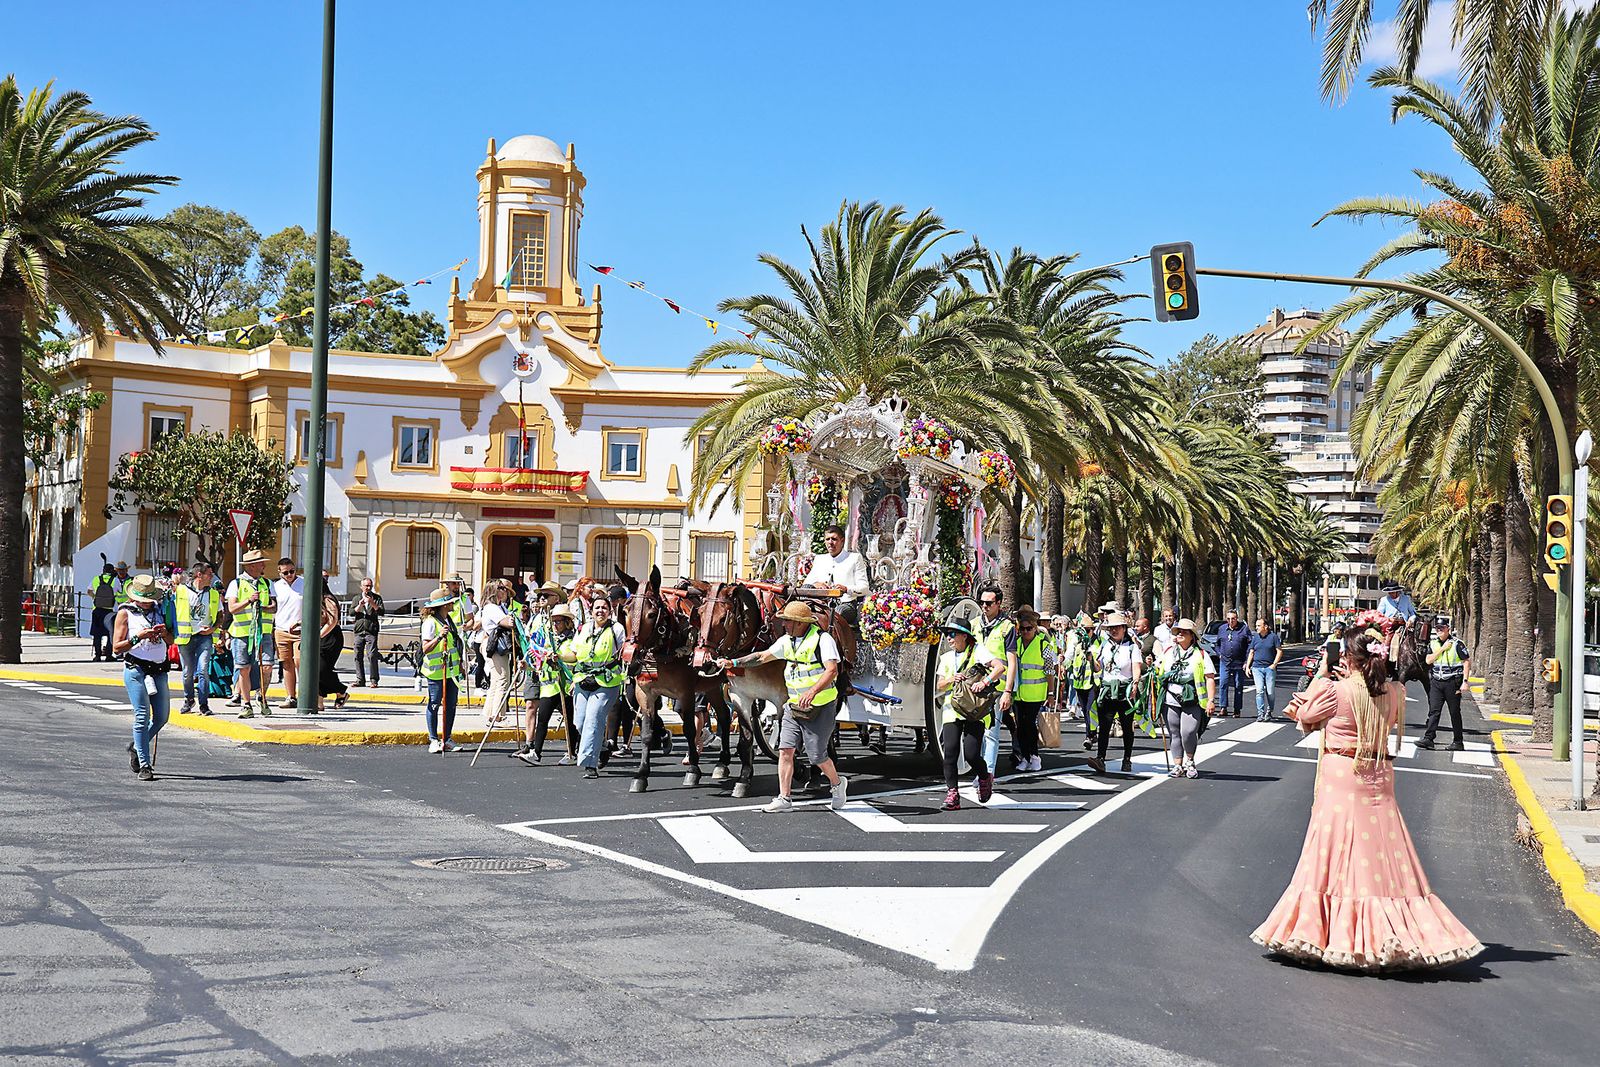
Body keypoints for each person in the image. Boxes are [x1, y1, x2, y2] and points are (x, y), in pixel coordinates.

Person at [1253, 625, 1484, 971]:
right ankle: (1399, 929)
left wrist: (1321, 675)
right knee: (1383, 853)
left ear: (1348, 657)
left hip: (1342, 772)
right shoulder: (1395, 692)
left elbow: (1303, 716)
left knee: (1332, 849)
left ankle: (1326, 932)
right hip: (1379, 773)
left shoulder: (1335, 691)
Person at [717, 600, 849, 813]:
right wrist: (733, 663)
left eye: (787, 621)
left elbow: (832, 670)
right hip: (794, 706)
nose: (783, 624)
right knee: (785, 751)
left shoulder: (823, 640)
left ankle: (837, 783)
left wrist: (812, 692)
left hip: (820, 706)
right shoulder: (787, 641)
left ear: (799, 623)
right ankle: (784, 798)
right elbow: (761, 657)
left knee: (817, 756)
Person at [933, 619, 999, 810]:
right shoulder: (946, 657)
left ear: (964, 636)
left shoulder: (978, 651)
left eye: (953, 634)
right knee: (950, 753)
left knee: (971, 754)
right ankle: (952, 794)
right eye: (947, 634)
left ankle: (985, 776)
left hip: (974, 710)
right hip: (952, 709)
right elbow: (939, 685)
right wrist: (952, 679)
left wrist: (985, 682)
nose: (949, 638)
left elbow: (999, 667)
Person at [113, 575, 171, 781]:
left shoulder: (160, 610)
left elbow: (172, 639)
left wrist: (164, 633)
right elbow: (116, 647)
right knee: (142, 715)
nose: (147, 602)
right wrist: (139, 637)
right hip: (136, 667)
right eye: (144, 598)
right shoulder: (125, 613)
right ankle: (145, 765)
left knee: (162, 717)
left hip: (159, 669)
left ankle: (137, 745)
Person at [565, 592, 626, 779]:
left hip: (607, 681)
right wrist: (557, 656)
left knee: (593, 719)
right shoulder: (583, 629)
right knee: (581, 723)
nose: (600, 611)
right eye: (597, 607)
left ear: (610, 611)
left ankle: (590, 765)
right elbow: (573, 654)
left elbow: (625, 653)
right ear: (591, 610)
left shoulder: (617, 629)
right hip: (583, 679)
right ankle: (604, 746)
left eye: (604, 608)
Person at [1155, 618, 1217, 779]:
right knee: (1174, 733)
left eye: (1184, 632)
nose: (1180, 634)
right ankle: (1178, 765)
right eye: (1178, 631)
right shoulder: (1168, 651)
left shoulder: (1201, 654)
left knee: (1188, 732)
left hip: (1192, 700)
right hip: (1170, 699)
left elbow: (1210, 677)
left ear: (1192, 636)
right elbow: (1158, 669)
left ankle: (1190, 761)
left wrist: (1210, 700)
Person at [517, 603, 576, 764]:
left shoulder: (573, 639)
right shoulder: (548, 641)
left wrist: (559, 657)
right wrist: (527, 666)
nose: (555, 625)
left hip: (565, 687)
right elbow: (540, 663)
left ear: (566, 622)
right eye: (553, 621)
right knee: (543, 719)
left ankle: (572, 752)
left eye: (558, 621)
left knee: (571, 721)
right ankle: (536, 753)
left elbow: (574, 657)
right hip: (549, 688)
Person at [971, 584, 1017, 774]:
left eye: (989, 603)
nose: (984, 606)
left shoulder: (1007, 626)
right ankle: (981, 770)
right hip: (974, 684)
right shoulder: (974, 623)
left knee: (991, 732)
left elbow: (1012, 661)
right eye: (982, 602)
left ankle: (987, 774)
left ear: (998, 603)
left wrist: (1008, 691)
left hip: (997, 686)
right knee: (976, 731)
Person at [1090, 612, 1142, 775]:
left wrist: (1135, 684)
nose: (1114, 630)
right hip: (1106, 689)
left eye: (1117, 627)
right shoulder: (1104, 645)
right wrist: (1091, 659)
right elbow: (1099, 668)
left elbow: (1136, 667)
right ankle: (1100, 758)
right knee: (1104, 726)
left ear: (1124, 629)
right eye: (1111, 628)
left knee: (1127, 727)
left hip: (1124, 690)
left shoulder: (1131, 647)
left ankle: (1127, 759)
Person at [226, 550, 275, 719]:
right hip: (242, 632)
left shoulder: (267, 583)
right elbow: (232, 608)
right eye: (261, 562)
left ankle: (261, 696)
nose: (264, 565)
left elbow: (274, 606)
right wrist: (249, 601)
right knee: (244, 669)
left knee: (267, 666)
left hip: (264, 632)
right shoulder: (237, 584)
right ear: (252, 565)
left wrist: (264, 606)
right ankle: (246, 704)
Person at [420, 585, 465, 753]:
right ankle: (433, 739)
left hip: (451, 672)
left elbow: (454, 645)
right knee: (434, 704)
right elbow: (425, 648)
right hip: (435, 672)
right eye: (450, 602)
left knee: (451, 705)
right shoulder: (430, 623)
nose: (453, 604)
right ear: (443, 605)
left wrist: (460, 665)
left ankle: (447, 738)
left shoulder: (449, 621)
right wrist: (439, 637)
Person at [1009, 607, 1054, 772]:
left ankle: (1034, 757)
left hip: (1036, 694)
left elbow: (1050, 671)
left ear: (1035, 628)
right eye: (1022, 628)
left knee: (1029, 726)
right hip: (1019, 694)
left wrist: (1051, 693)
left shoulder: (1044, 645)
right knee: (1020, 728)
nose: (1026, 631)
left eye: (1029, 628)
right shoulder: (1016, 644)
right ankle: (1026, 757)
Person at [173, 562, 219, 716]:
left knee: (203, 670)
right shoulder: (181, 590)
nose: (212, 577)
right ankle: (188, 699)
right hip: (185, 637)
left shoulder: (213, 593)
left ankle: (204, 704)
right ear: (200, 574)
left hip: (204, 637)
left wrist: (213, 629)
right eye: (209, 574)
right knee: (187, 673)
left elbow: (220, 615)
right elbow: (170, 611)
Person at [1419, 616, 1471, 751]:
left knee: (1454, 712)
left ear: (1448, 629)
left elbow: (1466, 661)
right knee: (1434, 711)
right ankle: (1429, 738)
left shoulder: (1457, 644)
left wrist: (1465, 682)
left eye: (1442, 628)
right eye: (1437, 628)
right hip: (1437, 681)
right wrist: (1442, 649)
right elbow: (1428, 661)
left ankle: (1458, 742)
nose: (1439, 630)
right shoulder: (1433, 644)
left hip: (1452, 682)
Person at [802, 524, 870, 623]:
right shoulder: (820, 559)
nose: (830, 542)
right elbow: (805, 585)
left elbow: (864, 588)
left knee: (836, 613)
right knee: (801, 605)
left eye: (834, 539)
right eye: (827, 539)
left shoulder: (854, 558)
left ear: (842, 541)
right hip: (820, 603)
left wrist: (846, 589)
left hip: (845, 604)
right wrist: (816, 584)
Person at [1060, 612, 1106, 746]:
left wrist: (1091, 656)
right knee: (1085, 709)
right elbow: (1069, 656)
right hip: (1079, 682)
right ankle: (1091, 734)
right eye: (1082, 631)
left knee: (1090, 709)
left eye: (1087, 630)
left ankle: (1090, 735)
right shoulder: (1076, 642)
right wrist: (1063, 663)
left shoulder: (1098, 642)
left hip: (1094, 682)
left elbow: (1099, 662)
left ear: (1092, 630)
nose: (1085, 633)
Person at [478, 580, 517, 731]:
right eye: (501, 588)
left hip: (491, 645)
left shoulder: (493, 607)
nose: (505, 591)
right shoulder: (493, 608)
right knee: (502, 680)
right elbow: (507, 622)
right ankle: (498, 716)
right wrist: (513, 618)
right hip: (496, 647)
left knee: (496, 681)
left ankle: (490, 714)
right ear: (494, 591)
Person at [271, 558, 305, 710]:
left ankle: (305, 694)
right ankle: (291, 696)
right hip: (281, 629)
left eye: (292, 571)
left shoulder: (304, 583)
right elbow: (273, 606)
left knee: (299, 661)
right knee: (286, 663)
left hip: (301, 630)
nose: (290, 575)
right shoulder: (275, 586)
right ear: (279, 572)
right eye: (285, 572)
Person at [315, 578, 348, 712]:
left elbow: (332, 621)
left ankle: (341, 690)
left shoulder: (328, 599)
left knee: (322, 669)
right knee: (318, 669)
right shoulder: (317, 599)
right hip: (322, 634)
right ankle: (319, 701)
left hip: (331, 637)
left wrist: (318, 637)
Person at [1245, 618, 1284, 722]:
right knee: (1259, 691)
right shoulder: (1255, 638)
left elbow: (1279, 651)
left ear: (1265, 627)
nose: (1256, 628)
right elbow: (1251, 652)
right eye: (1256, 625)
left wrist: (1274, 664)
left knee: (1270, 692)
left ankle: (1269, 711)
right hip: (1257, 668)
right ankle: (1260, 713)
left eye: (1259, 626)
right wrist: (1248, 666)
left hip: (1269, 668)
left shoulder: (1273, 637)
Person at [1214, 608, 1251, 718]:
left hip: (1239, 662)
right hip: (1225, 661)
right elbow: (1217, 644)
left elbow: (1250, 646)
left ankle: (1237, 709)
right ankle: (1223, 707)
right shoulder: (1222, 629)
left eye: (1233, 619)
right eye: (1229, 619)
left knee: (1238, 685)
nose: (1231, 621)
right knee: (1223, 683)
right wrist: (1219, 654)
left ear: (1237, 618)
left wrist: (1246, 661)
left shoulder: (1244, 629)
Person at [350, 577, 384, 687]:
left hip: (371, 631)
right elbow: (351, 612)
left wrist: (372, 603)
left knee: (372, 655)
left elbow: (382, 612)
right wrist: (359, 606)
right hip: (359, 631)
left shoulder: (377, 598)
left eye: (370, 586)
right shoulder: (356, 598)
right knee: (357, 655)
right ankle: (360, 680)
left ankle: (374, 680)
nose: (368, 588)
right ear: (361, 587)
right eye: (366, 586)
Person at [89, 562, 120, 661]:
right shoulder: (115, 580)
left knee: (97, 634)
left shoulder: (96, 579)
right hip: (109, 611)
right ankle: (108, 655)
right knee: (110, 633)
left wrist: (96, 597)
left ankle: (97, 655)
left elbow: (89, 591)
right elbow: (119, 592)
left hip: (97, 609)